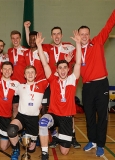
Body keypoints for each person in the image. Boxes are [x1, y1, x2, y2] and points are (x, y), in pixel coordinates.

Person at [79, 0, 115, 157]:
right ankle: (91, 140)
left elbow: (109, 25)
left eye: (86, 34)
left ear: (89, 35)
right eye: (81, 34)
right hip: (87, 87)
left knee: (102, 116)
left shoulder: (97, 42)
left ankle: (100, 144)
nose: (84, 36)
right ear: (78, 36)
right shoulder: (76, 51)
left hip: (101, 85)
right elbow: (64, 65)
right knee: (89, 116)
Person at [24, 21, 81, 149]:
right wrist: (27, 29)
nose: (56, 36)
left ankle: (72, 136)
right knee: (47, 109)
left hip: (66, 84)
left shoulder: (69, 46)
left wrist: (78, 43)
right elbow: (32, 43)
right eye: (54, 34)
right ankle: (54, 135)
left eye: (58, 34)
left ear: (62, 35)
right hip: (51, 81)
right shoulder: (47, 47)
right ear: (51, 36)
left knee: (68, 111)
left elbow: (79, 59)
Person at [36, 31, 82, 159]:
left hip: (66, 118)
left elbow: (78, 63)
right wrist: (39, 45)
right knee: (43, 122)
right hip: (54, 115)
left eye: (64, 68)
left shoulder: (73, 79)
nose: (62, 70)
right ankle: (45, 153)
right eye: (60, 68)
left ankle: (61, 136)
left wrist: (78, 43)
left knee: (64, 151)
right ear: (56, 70)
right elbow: (45, 63)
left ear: (68, 69)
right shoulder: (52, 80)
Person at [7, 65, 48, 160]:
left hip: (33, 118)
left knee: (31, 149)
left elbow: (54, 81)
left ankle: (33, 137)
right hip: (21, 116)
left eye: (32, 72)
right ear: (24, 75)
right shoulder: (20, 86)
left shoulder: (42, 84)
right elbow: (7, 90)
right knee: (11, 130)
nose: (30, 74)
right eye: (28, 72)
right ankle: (16, 150)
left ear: (36, 75)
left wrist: (45, 102)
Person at [22, 28, 49, 115]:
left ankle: (46, 129)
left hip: (42, 84)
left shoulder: (43, 52)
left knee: (43, 109)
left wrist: (39, 45)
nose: (32, 41)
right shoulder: (25, 53)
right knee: (30, 108)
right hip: (30, 86)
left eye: (35, 39)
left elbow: (45, 62)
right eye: (31, 39)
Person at [7, 30, 28, 118]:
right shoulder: (9, 51)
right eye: (13, 38)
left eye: (17, 38)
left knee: (25, 108)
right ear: (11, 40)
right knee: (15, 107)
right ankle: (16, 129)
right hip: (13, 84)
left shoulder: (26, 51)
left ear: (20, 39)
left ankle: (25, 129)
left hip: (24, 83)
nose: (15, 40)